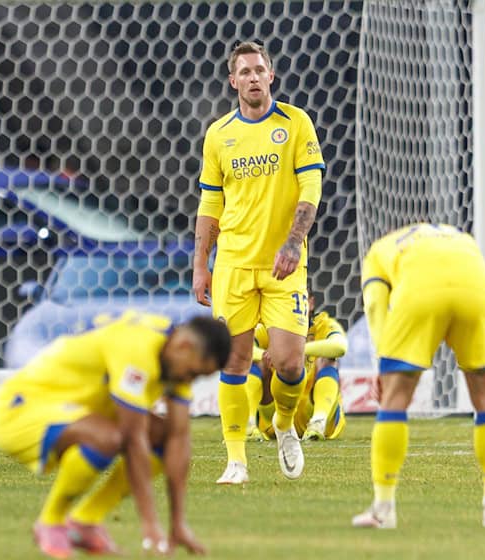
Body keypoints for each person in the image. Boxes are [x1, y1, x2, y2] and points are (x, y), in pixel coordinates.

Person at [0, 311, 229, 557]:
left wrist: (177, 524)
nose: (190, 380)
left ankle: (85, 521)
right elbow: (133, 438)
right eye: (193, 373)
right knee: (110, 438)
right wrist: (151, 526)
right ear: (185, 346)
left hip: (71, 411)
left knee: (162, 435)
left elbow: (178, 438)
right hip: (20, 409)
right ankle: (51, 521)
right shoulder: (138, 347)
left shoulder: (173, 355)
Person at [192, 41, 325, 484]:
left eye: (259, 70)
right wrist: (200, 263)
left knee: (288, 363)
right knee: (234, 360)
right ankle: (236, 460)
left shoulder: (296, 123)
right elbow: (210, 204)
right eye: (244, 71)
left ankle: (285, 424)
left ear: (271, 76)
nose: (252, 77)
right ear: (233, 81)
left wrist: (293, 243)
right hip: (232, 264)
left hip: (284, 265)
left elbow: (311, 190)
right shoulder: (219, 134)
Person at [352, 223, 485, 529]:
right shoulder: (462, 239)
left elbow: (374, 304)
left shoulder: (380, 250)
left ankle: (383, 510)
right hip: (475, 292)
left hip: (421, 293)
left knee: (394, 401)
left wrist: (383, 363)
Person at [246, 291, 348, 442]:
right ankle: (248, 424)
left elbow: (340, 347)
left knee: (328, 359)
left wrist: (297, 351)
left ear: (311, 303)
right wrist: (264, 355)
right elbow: (239, 350)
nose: (294, 308)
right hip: (275, 412)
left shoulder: (324, 324)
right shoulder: (269, 329)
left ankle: (318, 422)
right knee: (255, 361)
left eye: (299, 300)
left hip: (310, 409)